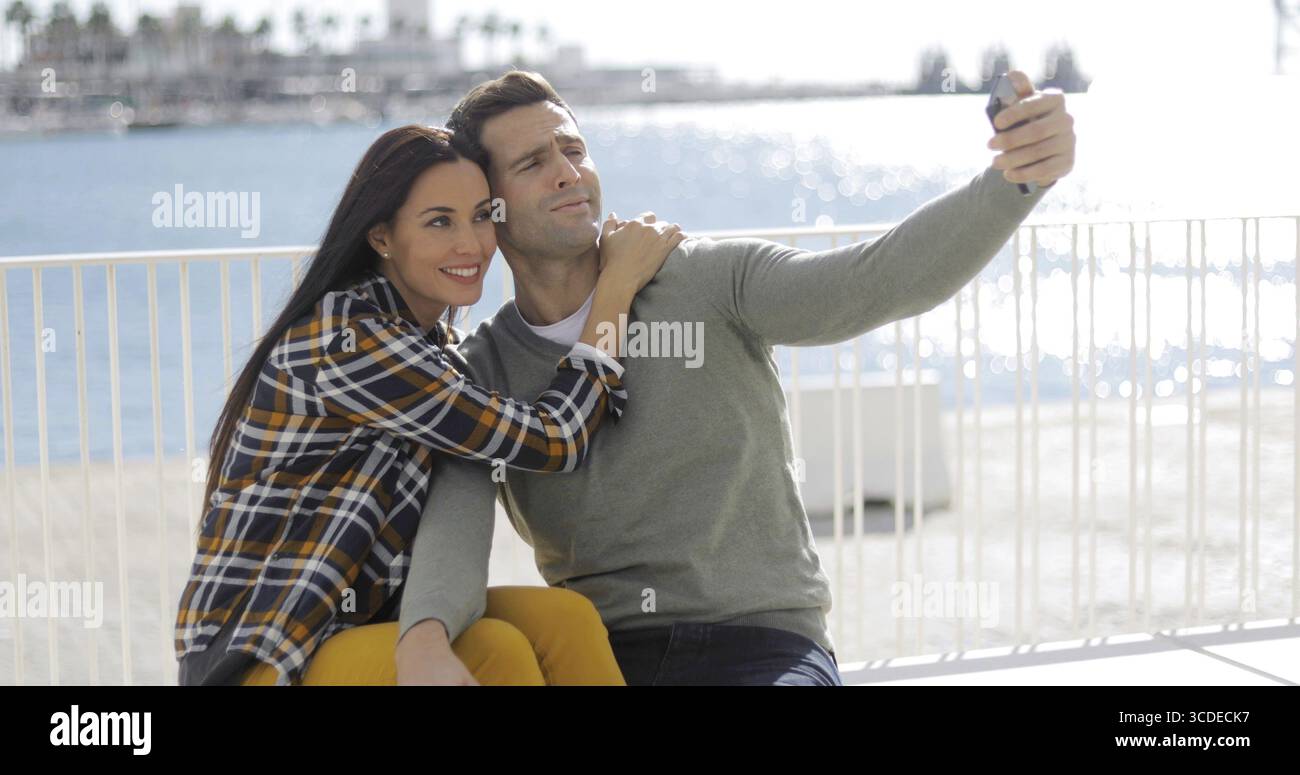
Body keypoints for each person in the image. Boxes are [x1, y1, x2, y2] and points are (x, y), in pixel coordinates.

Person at [395, 69, 1075, 685]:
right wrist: (423, 639)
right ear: (491, 208)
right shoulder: (482, 371)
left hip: (765, 646)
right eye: (534, 163)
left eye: (573, 149)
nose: (568, 172)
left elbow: (871, 281)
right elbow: (454, 528)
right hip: (599, 657)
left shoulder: (697, 275)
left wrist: (1013, 182)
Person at [173, 124, 685, 686]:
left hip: (355, 624)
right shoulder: (350, 339)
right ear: (382, 236)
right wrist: (616, 288)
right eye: (440, 221)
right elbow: (553, 440)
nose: (471, 243)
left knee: (565, 619)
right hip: (261, 658)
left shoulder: (426, 345)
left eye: (482, 215)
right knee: (494, 651)